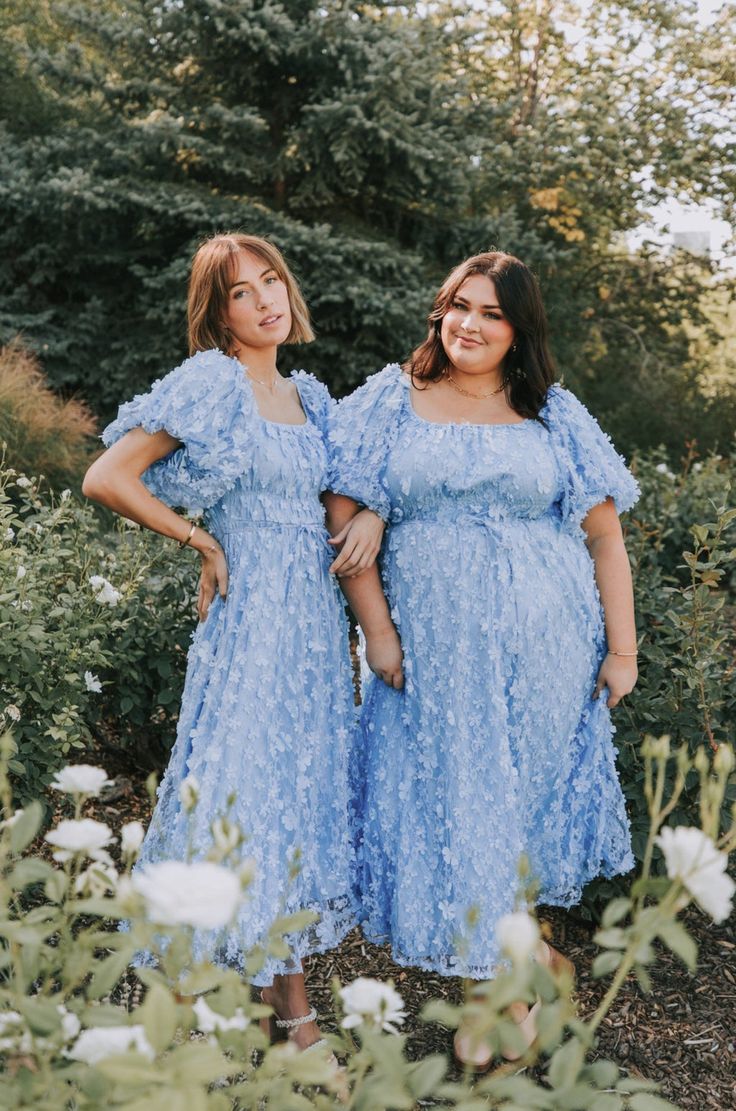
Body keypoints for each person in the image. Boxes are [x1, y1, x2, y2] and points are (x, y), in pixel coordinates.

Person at [324, 250, 640, 1067]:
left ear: (519, 329)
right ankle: (528, 971)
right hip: (431, 649)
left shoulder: (554, 413)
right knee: (455, 803)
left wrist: (622, 648)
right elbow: (344, 510)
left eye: (492, 313)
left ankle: (509, 988)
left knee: (516, 808)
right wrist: (378, 632)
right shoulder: (392, 398)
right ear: (441, 311)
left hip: (548, 644)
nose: (469, 323)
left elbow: (604, 536)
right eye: (460, 305)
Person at [83, 232, 383, 1052]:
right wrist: (201, 541)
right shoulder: (213, 383)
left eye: (272, 281)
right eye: (242, 292)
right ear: (218, 313)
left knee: (294, 801)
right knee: (238, 799)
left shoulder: (312, 398)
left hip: (317, 635)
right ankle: (234, 1016)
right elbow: (107, 476)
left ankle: (268, 1003)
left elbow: (343, 504)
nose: (265, 300)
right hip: (251, 625)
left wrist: (373, 519)